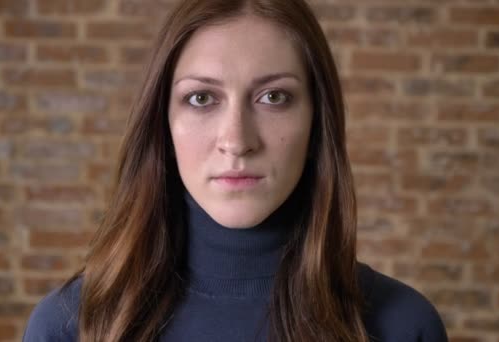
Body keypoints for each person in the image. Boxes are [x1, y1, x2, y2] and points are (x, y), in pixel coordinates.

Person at [23, 0, 448, 341]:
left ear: (318, 121)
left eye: (274, 97)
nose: (237, 140)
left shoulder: (402, 326)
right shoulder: (69, 326)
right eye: (202, 99)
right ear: (161, 123)